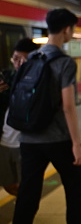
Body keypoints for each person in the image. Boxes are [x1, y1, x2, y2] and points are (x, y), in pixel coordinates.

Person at [12, 8, 81, 224]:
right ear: (66, 30)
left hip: (28, 139)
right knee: (75, 189)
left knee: (28, 193)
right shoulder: (65, 62)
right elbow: (68, 106)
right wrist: (76, 144)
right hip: (58, 139)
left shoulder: (32, 57)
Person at [0, 38, 39, 196]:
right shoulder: (6, 79)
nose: (18, 63)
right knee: (8, 185)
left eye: (24, 59)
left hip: (25, 144)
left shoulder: (40, 81)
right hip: (4, 143)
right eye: (15, 58)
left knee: (26, 186)